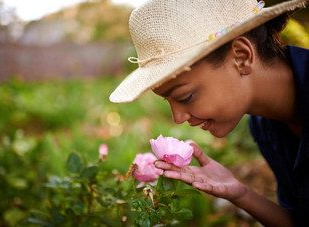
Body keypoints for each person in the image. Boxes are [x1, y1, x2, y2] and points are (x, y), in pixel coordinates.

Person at [109, 0, 309, 226]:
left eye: (186, 97)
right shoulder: (265, 127)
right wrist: (241, 195)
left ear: (241, 56)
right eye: (169, 102)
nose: (178, 118)